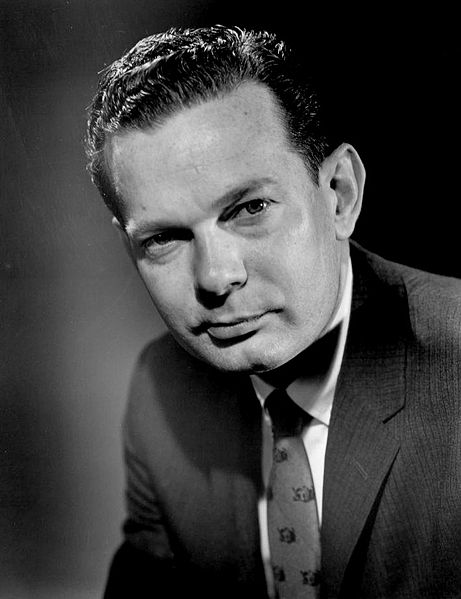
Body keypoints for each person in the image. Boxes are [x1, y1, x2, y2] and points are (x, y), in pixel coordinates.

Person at [85, 25, 461, 599]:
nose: (216, 277)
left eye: (250, 208)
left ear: (339, 194)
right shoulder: (162, 393)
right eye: (164, 239)